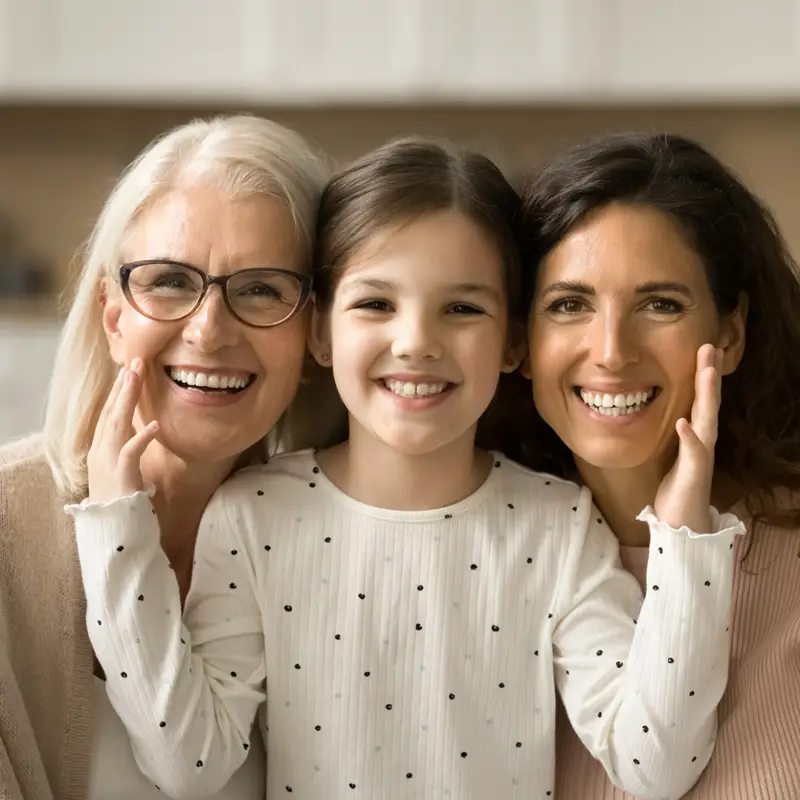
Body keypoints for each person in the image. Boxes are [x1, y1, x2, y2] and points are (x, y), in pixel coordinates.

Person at [70, 137, 742, 800]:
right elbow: (188, 765)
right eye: (376, 304)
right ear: (320, 332)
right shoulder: (252, 517)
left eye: (462, 308)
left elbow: (655, 769)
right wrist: (116, 530)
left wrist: (685, 536)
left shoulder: (558, 526)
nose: (417, 341)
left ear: (513, 342)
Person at [0, 114, 339, 800]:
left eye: (261, 289)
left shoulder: (329, 537)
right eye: (169, 282)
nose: (209, 330)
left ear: (314, 334)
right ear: (113, 314)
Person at [513, 131, 800, 799]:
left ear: (729, 334)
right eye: (569, 305)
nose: (612, 351)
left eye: (660, 304)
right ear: (518, 340)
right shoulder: (495, 556)